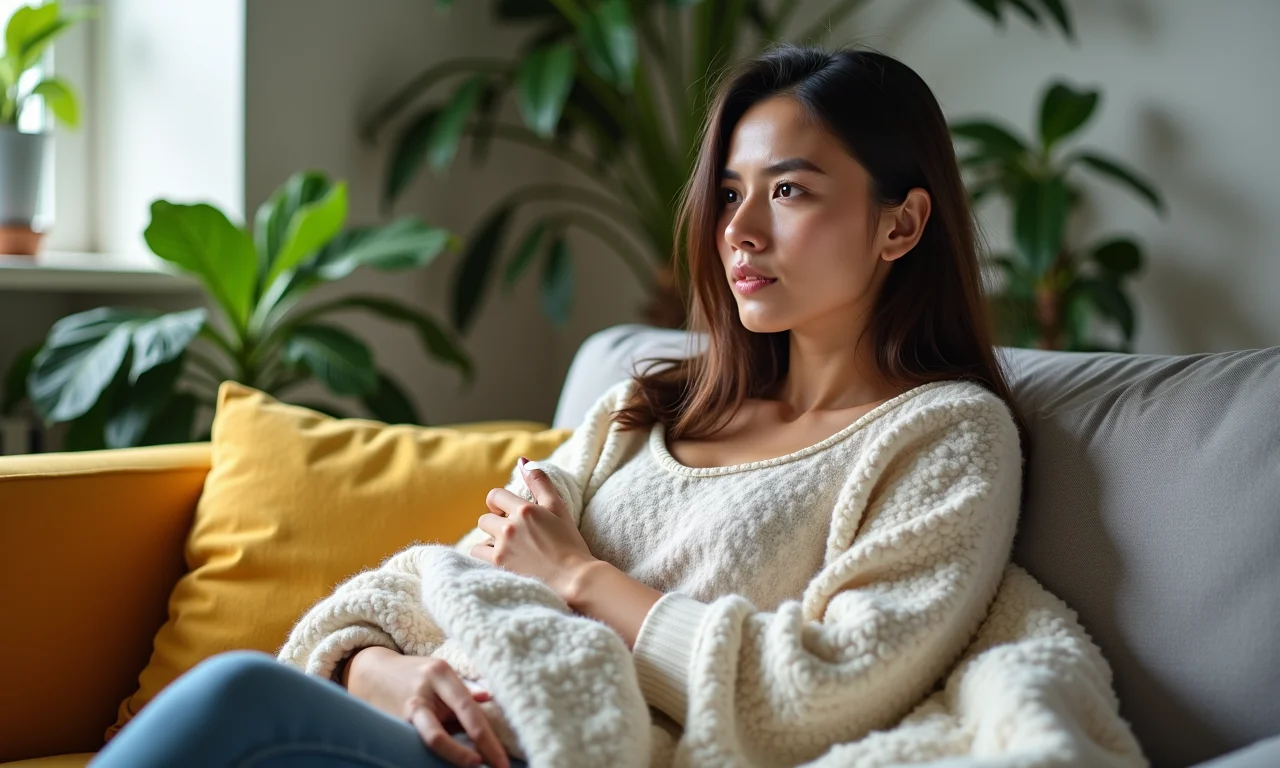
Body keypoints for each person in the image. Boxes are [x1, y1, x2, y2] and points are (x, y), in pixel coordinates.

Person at [93, 43, 1027, 768]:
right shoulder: (646, 409)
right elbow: (435, 586)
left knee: (236, 704)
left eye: (789, 191)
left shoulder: (940, 435)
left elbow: (818, 689)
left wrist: (578, 576)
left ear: (900, 224)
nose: (737, 231)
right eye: (731, 192)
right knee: (245, 697)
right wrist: (387, 673)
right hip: (453, 728)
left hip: (579, 751)